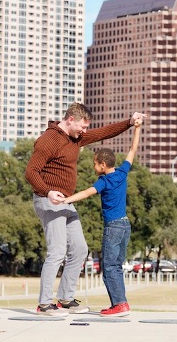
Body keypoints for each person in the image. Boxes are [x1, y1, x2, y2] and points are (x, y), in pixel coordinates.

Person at [25, 102, 145, 316]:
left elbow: (103, 133)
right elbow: (31, 172)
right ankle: (44, 304)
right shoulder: (48, 140)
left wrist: (129, 122)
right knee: (57, 251)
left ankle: (65, 298)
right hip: (48, 200)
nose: (85, 131)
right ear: (70, 119)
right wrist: (48, 191)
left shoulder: (75, 138)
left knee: (80, 249)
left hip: (66, 202)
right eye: (82, 126)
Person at [62, 116, 143, 317]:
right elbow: (133, 151)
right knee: (116, 265)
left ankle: (119, 304)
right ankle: (121, 303)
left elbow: (88, 192)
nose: (93, 167)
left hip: (113, 227)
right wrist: (137, 128)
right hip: (125, 226)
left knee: (108, 267)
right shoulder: (122, 172)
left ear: (103, 164)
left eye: (95, 164)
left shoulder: (104, 181)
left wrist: (66, 200)